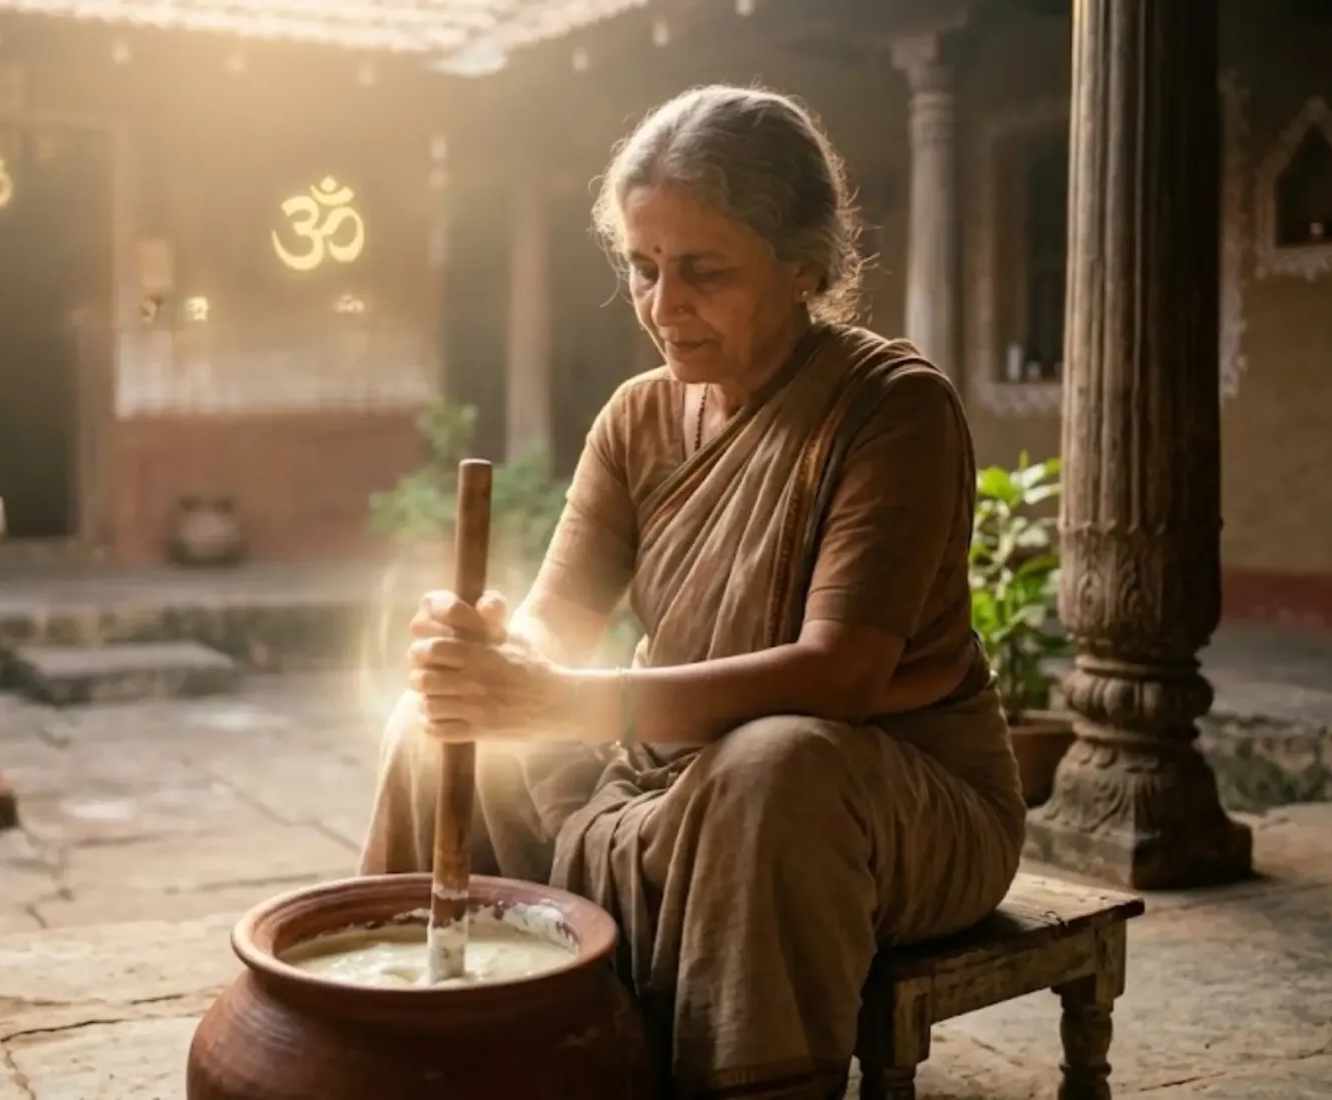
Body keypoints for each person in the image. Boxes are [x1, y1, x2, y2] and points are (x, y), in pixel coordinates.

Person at [358, 83, 1025, 1100]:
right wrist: (492, 653)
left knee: (773, 763)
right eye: (641, 267)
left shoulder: (892, 408)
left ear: (802, 266)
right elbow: (554, 619)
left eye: (702, 272)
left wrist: (567, 697)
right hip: (670, 776)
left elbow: (837, 673)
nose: (663, 306)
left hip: (888, 798)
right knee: (439, 718)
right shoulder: (638, 418)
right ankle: (406, 1036)